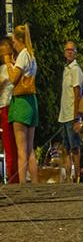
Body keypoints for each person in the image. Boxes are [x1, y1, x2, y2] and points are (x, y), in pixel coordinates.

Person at [5, 24, 39, 183]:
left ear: (19, 39)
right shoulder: (31, 55)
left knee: (21, 149)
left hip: (21, 104)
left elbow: (13, 79)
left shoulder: (22, 55)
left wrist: (7, 63)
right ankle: (35, 184)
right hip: (32, 102)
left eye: (13, 41)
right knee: (30, 149)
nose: (13, 44)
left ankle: (23, 186)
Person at [59, 40, 83, 183]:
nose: (69, 52)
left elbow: (77, 94)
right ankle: (68, 177)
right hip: (63, 115)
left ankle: (77, 178)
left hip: (71, 115)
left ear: (75, 53)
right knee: (65, 149)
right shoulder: (66, 69)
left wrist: (77, 117)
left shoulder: (75, 70)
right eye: (67, 49)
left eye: (72, 50)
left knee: (75, 148)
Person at [0, 37, 16, 184]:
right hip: (4, 106)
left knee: (10, 145)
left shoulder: (11, 67)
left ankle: (13, 178)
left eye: (4, 47)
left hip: (7, 106)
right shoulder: (5, 67)